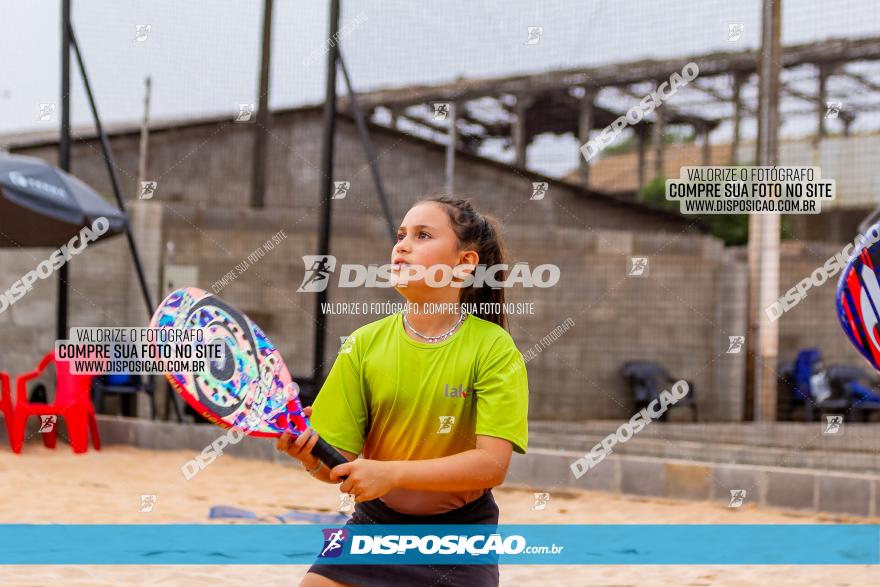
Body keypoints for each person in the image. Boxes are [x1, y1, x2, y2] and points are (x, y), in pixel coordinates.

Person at [277, 196, 529, 587]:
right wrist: (310, 455)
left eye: (422, 235)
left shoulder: (493, 348)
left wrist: (391, 473)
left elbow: (491, 466)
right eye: (400, 235)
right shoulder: (362, 344)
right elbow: (338, 464)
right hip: (373, 525)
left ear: (464, 265)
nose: (402, 246)